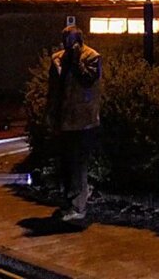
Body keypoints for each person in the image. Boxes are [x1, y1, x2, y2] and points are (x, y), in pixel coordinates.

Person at [46, 24, 102, 221]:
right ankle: (72, 200)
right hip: (64, 120)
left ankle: (79, 206)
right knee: (67, 164)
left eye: (72, 44)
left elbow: (88, 80)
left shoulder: (92, 57)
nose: (68, 48)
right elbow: (53, 90)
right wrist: (51, 115)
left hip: (84, 120)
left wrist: (77, 60)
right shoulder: (57, 59)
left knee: (79, 164)